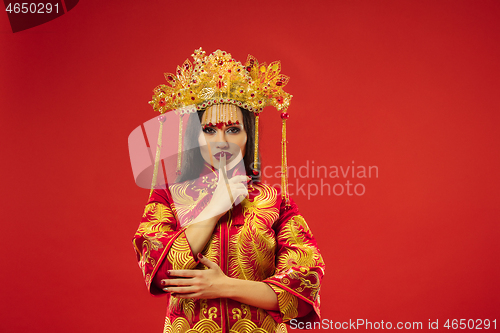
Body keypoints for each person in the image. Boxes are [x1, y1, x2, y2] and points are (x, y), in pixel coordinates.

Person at [132, 48, 325, 333]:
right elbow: (160, 272)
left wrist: (223, 286)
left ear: (249, 135)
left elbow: (305, 284)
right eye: (209, 130)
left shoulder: (276, 203)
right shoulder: (169, 197)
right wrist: (214, 209)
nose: (221, 141)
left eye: (233, 129)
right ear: (194, 136)